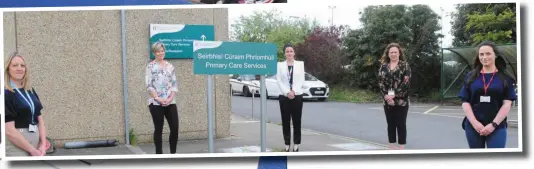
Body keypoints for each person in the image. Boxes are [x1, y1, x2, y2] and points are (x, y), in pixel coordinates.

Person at [458, 41, 516, 148]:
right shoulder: (471, 76)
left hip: (497, 126)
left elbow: (507, 104)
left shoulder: (505, 77)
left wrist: (493, 125)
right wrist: (475, 123)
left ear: (495, 55)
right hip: (474, 126)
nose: (484, 57)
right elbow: (465, 102)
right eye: (481, 54)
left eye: (488, 53)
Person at [4, 52, 48, 156]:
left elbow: (40, 120)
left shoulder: (30, 90)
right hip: (17, 147)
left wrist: (43, 143)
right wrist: (32, 151)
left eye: (22, 65)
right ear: (8, 69)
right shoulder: (6, 93)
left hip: (37, 145)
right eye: (15, 65)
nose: (19, 68)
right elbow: (9, 130)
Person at [145, 42, 180, 154]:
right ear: (154, 53)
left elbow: (174, 85)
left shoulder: (170, 66)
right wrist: (158, 98)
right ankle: (159, 156)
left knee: (175, 128)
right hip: (156, 103)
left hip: (170, 101)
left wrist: (170, 98)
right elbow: (149, 85)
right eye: (158, 51)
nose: (161, 53)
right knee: (158, 129)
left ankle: (173, 154)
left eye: (162, 51)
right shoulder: (150, 66)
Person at [377, 43, 411, 150]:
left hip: (402, 101)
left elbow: (406, 83)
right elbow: (381, 83)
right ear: (388, 53)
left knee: (401, 124)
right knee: (390, 124)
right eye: (391, 52)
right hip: (387, 101)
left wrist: (392, 96)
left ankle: (401, 147)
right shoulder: (383, 66)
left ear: (399, 53)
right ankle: (391, 146)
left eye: (395, 52)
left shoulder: (405, 65)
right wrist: (387, 97)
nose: (393, 54)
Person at [276, 43, 305, 152]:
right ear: (285, 53)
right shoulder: (279, 65)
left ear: (294, 53)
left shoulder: (300, 64)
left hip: (297, 96)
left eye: (291, 51)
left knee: (297, 121)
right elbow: (278, 80)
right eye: (287, 51)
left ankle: (296, 143)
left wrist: (294, 91)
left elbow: (301, 79)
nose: (289, 53)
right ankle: (287, 143)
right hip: (284, 97)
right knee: (285, 121)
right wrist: (287, 92)